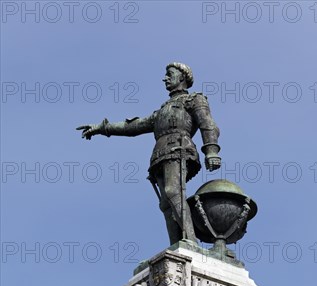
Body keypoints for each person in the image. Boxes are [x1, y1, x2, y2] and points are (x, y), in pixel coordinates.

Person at [77, 62, 221, 244]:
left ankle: (190, 240)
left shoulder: (194, 100)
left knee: (172, 191)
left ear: (183, 77)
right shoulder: (162, 110)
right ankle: (177, 245)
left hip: (179, 149)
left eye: (170, 74)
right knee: (165, 204)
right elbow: (134, 126)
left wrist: (211, 151)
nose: (165, 78)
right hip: (160, 155)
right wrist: (102, 128)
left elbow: (208, 124)